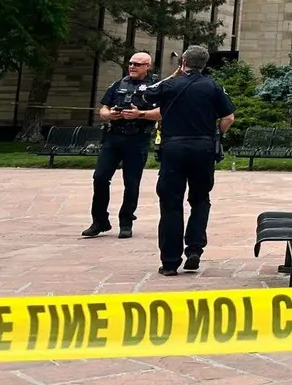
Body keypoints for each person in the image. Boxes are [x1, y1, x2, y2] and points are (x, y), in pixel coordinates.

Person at [130, 45, 235, 275]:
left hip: (173, 148)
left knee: (170, 203)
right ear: (204, 64)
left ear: (183, 62)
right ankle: (194, 248)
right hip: (203, 148)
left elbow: (142, 94)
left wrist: (173, 75)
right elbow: (228, 117)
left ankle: (170, 262)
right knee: (200, 199)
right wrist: (217, 134)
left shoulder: (170, 85)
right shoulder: (213, 86)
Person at [83, 52, 160, 239]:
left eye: (137, 64)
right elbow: (104, 108)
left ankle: (126, 221)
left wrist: (140, 114)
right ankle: (99, 221)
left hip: (137, 139)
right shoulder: (118, 84)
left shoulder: (155, 87)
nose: (132, 67)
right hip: (113, 137)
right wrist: (109, 115)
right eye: (131, 63)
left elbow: (162, 112)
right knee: (100, 178)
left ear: (147, 66)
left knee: (131, 183)